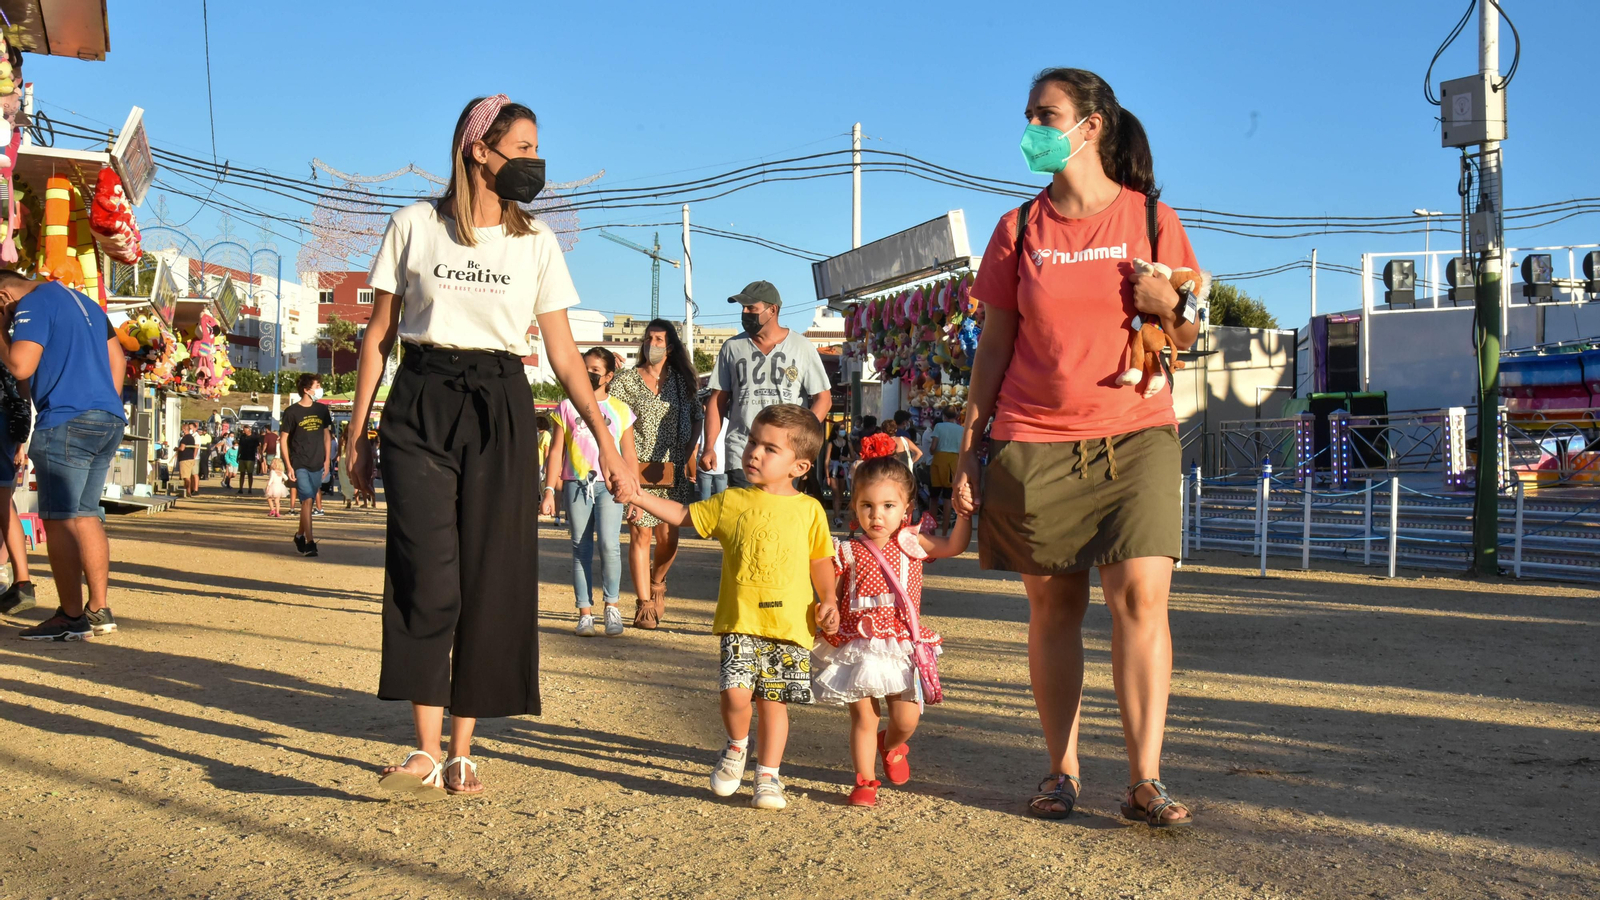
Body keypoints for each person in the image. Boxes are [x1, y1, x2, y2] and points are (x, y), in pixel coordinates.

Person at [349, 94, 637, 799]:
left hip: (502, 402)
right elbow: (379, 335)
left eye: (540, 150)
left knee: (488, 577)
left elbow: (566, 358)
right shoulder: (414, 224)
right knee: (426, 573)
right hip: (421, 398)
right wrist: (357, 433)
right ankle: (423, 749)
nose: (536, 163)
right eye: (525, 147)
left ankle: (462, 748)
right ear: (480, 149)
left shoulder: (536, 241)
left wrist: (607, 441)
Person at [952, 68, 1199, 827]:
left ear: (1090, 125)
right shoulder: (1018, 228)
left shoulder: (1152, 218)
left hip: (1138, 431)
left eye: (1045, 113)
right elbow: (993, 345)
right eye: (1028, 113)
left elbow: (1188, 332)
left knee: (1140, 600)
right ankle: (1060, 769)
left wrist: (1173, 304)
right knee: (1054, 606)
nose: (1031, 126)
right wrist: (970, 445)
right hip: (1034, 437)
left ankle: (1145, 779)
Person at [618, 404, 838, 810]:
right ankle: (737, 746)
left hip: (789, 625)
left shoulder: (810, 511)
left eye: (770, 448)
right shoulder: (732, 500)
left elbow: (821, 560)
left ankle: (769, 775)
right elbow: (684, 515)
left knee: (774, 703)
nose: (754, 452)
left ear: (800, 466)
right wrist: (639, 495)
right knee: (735, 694)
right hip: (740, 621)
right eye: (753, 441)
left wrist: (829, 599)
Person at [812, 452, 972, 807]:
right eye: (867, 505)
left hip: (902, 643)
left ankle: (893, 745)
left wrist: (963, 514)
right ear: (854, 506)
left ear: (906, 508)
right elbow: (830, 590)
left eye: (887, 505)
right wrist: (826, 610)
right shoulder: (847, 550)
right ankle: (865, 780)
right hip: (858, 642)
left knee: (906, 717)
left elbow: (954, 546)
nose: (877, 515)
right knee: (864, 716)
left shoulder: (912, 542)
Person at [0, 269, 126, 640]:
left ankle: (70, 617)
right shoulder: (83, 301)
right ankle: (98, 610)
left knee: (59, 519)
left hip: (66, 419)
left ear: (3, 296)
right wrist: (105, 402)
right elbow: (117, 358)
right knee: (87, 515)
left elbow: (20, 365)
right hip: (107, 417)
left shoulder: (33, 304)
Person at [608, 319, 701, 630]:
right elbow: (614, 421)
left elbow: (697, 416)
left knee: (667, 535)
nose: (653, 344)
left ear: (670, 346)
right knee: (640, 533)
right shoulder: (624, 382)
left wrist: (690, 451)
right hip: (634, 465)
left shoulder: (682, 382)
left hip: (671, 467)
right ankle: (644, 603)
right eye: (649, 338)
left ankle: (657, 581)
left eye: (660, 339)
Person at [541, 348, 636, 638]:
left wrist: (635, 493)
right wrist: (548, 490)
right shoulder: (567, 407)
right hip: (576, 485)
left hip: (611, 487)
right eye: (585, 368)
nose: (589, 373)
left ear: (608, 376)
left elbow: (629, 455)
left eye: (595, 369)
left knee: (610, 545)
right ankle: (584, 612)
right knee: (580, 548)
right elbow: (556, 452)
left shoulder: (620, 410)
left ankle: (612, 606)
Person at [702, 281, 831, 490]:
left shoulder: (802, 347)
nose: (745, 312)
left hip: (785, 455)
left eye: (751, 308)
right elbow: (717, 400)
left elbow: (823, 399)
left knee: (778, 520)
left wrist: (800, 435)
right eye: (742, 308)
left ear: (773, 310)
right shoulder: (732, 348)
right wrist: (709, 447)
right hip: (742, 452)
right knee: (744, 519)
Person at [279, 373, 333, 558]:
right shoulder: (292, 412)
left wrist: (327, 460)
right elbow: (284, 439)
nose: (319, 389)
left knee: (307, 504)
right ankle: (310, 542)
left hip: (317, 462)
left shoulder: (321, 410)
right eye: (316, 385)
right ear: (306, 389)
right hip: (299, 462)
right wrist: (288, 465)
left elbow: (327, 435)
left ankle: (299, 535)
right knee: (307, 500)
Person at [0, 365, 34, 614]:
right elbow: (23, 386)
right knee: (3, 500)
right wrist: (21, 438)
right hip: (8, 419)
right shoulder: (12, 342)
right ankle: (22, 580)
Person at [927, 407, 965, 533]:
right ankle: (944, 531)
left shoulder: (939, 426)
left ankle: (932, 529)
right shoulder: (961, 429)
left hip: (938, 460)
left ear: (943, 415)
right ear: (957, 416)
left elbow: (933, 447)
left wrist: (932, 451)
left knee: (934, 497)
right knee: (948, 497)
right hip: (953, 461)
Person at [696, 417, 728, 501]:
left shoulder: (702, 422)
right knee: (721, 500)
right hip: (722, 466)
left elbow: (696, 447)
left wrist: (691, 469)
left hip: (703, 465)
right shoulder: (728, 423)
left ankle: (704, 514)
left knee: (704, 500)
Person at [235, 424, 262, 495]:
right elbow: (240, 447)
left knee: (250, 474)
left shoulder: (254, 437)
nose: (244, 432)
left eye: (245, 430)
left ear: (248, 430)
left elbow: (258, 447)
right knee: (242, 474)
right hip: (242, 457)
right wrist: (238, 456)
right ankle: (240, 488)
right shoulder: (242, 437)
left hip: (250, 458)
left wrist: (260, 455)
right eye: (243, 430)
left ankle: (250, 488)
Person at [175, 423, 200, 496]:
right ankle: (186, 491)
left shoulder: (185, 438)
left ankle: (188, 492)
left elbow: (182, 448)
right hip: (189, 459)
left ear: (184, 429)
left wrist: (177, 449)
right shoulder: (191, 437)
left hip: (185, 459)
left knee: (186, 477)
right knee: (187, 476)